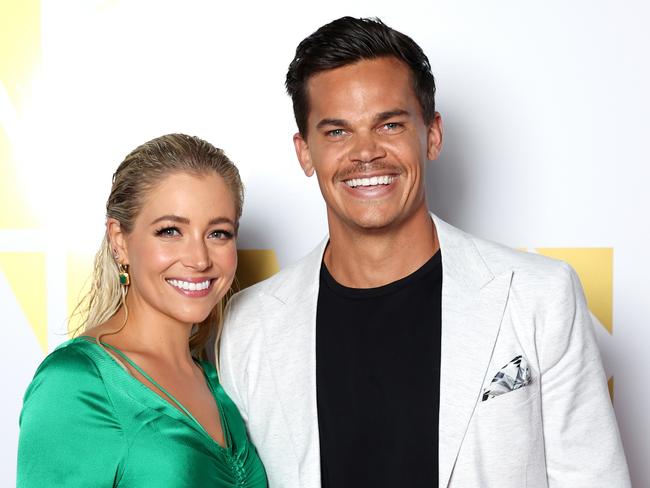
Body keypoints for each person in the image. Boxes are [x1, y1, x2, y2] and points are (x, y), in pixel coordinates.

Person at [219, 17, 631, 488]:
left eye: (389, 124)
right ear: (305, 152)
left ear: (432, 134)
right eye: (337, 132)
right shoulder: (248, 327)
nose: (365, 153)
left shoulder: (539, 296)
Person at [17, 134, 267, 487]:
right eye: (170, 231)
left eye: (219, 233)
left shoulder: (216, 380)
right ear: (120, 241)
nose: (198, 259)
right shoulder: (76, 384)